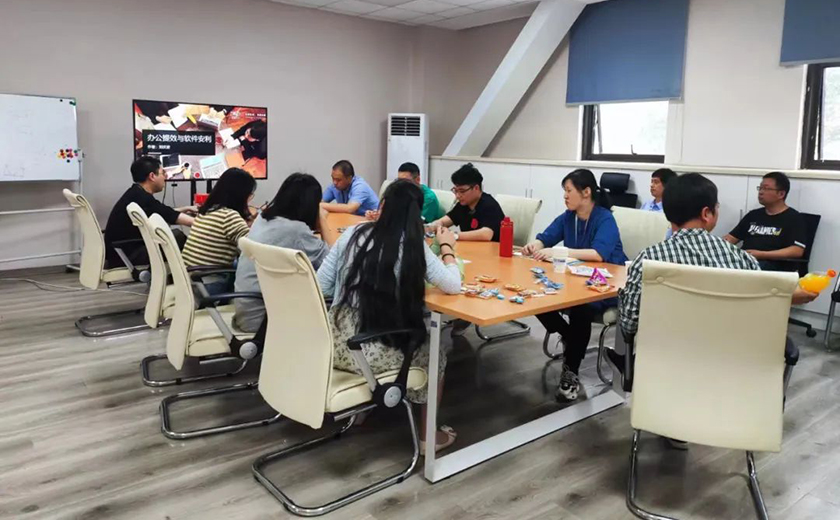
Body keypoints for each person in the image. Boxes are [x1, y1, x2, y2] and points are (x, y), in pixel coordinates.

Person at [617, 174, 817, 447]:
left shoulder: (648, 261)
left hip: (666, 370)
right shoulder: (743, 261)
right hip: (732, 375)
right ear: (707, 213)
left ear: (668, 214)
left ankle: (673, 425)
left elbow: (628, 324)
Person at [317, 180, 462, 452]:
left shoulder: (353, 233)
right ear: (416, 215)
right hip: (370, 353)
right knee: (436, 354)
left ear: (382, 205)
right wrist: (447, 248)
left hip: (333, 346)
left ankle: (360, 411)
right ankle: (427, 436)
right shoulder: (413, 245)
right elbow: (453, 285)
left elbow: (321, 286)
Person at [521, 169, 627, 402]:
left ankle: (571, 372)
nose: (565, 196)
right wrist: (535, 245)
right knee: (535, 294)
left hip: (604, 285)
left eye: (569, 191)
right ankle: (570, 336)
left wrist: (560, 252)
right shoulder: (569, 217)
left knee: (581, 309)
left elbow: (598, 254)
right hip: (575, 282)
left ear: (586, 192)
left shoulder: (604, 218)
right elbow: (546, 237)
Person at [234, 173, 337, 333]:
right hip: (264, 318)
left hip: (248, 309)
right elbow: (332, 262)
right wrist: (322, 219)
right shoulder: (296, 230)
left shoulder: (263, 218)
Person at [104, 156, 195, 268]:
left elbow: (160, 211)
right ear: (152, 176)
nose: (165, 177)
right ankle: (192, 272)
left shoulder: (135, 193)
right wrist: (208, 222)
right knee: (178, 237)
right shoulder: (143, 198)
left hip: (121, 253)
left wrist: (185, 209)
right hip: (128, 256)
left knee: (175, 235)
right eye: (162, 173)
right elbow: (172, 216)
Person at [182, 168, 256, 293]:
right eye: (250, 195)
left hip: (189, 279)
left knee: (236, 263)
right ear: (241, 195)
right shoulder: (229, 216)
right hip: (208, 284)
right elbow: (253, 249)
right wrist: (257, 224)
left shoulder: (207, 210)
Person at [724, 171, 807, 271]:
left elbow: (797, 250)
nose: (761, 192)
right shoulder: (753, 215)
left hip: (773, 266)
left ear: (781, 194)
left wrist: (762, 254)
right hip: (746, 261)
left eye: (766, 188)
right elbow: (731, 238)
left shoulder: (794, 218)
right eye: (760, 188)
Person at [425, 163, 505, 242]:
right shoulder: (463, 204)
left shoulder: (489, 204)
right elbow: (443, 221)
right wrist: (431, 227)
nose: (458, 195)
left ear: (476, 188)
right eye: (455, 191)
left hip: (492, 248)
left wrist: (454, 235)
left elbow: (486, 234)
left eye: (462, 191)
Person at [365, 162, 442, 224]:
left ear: (418, 179)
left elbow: (416, 223)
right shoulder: (398, 192)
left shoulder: (428, 199)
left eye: (405, 181)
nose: (401, 184)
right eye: (399, 180)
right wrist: (378, 214)